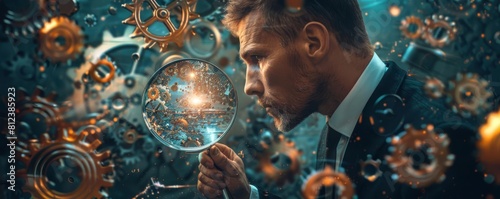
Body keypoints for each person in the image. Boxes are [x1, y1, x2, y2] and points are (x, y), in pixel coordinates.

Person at [197, 0, 496, 198]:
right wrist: (245, 194)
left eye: (257, 58)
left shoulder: (442, 142)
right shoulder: (339, 123)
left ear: (313, 43)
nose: (250, 86)